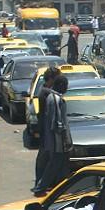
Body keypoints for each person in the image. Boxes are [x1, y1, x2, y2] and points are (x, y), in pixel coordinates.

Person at [34, 75, 73, 196]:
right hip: (57, 140)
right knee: (54, 164)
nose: (66, 88)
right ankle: (40, 188)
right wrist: (65, 138)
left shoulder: (52, 97)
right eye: (65, 85)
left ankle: (62, 188)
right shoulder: (56, 99)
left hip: (55, 140)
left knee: (61, 165)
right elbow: (57, 122)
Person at [32, 65, 62, 194]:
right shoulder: (45, 93)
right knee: (47, 158)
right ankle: (40, 184)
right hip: (46, 131)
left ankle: (41, 183)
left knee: (44, 158)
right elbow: (43, 115)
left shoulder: (45, 91)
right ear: (52, 79)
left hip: (45, 131)